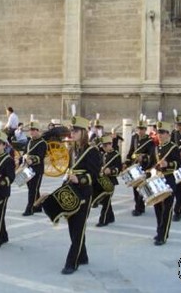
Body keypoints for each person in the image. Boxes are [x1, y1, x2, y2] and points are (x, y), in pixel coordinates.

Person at [59, 115, 101, 274]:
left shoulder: (92, 151)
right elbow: (69, 171)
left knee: (78, 227)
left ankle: (72, 262)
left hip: (84, 193)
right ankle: (82, 256)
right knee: (72, 226)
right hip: (71, 191)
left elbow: (94, 175)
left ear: (83, 132)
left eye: (75, 130)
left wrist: (80, 179)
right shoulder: (72, 149)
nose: (73, 133)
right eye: (72, 130)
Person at [152, 121, 179, 245]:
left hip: (168, 180)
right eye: (159, 133)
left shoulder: (173, 148)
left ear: (168, 134)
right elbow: (152, 164)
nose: (160, 135)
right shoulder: (157, 148)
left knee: (167, 209)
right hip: (157, 181)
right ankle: (160, 231)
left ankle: (163, 235)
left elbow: (178, 164)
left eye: (163, 133)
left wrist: (168, 164)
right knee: (157, 207)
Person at [124, 117, 155, 216]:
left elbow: (152, 155)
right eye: (138, 128)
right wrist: (127, 162)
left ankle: (139, 208)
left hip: (144, 166)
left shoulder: (149, 141)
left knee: (141, 187)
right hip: (134, 165)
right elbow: (131, 150)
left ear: (145, 130)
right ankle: (139, 205)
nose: (140, 131)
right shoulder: (135, 138)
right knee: (135, 186)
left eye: (142, 129)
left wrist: (144, 157)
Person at [95, 135, 122, 227]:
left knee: (106, 200)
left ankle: (104, 220)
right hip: (102, 180)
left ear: (110, 144)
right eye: (103, 146)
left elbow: (119, 168)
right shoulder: (103, 154)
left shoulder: (116, 155)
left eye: (106, 145)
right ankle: (111, 217)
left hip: (111, 180)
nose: (104, 148)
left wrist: (111, 170)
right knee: (104, 200)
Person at [22, 120, 47, 216]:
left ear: (38, 131)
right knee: (32, 189)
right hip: (27, 169)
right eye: (30, 130)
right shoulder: (29, 142)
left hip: (37, 169)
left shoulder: (42, 143)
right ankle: (38, 206)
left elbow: (41, 156)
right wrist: (22, 159)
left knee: (33, 189)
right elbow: (24, 153)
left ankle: (30, 208)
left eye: (33, 130)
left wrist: (32, 160)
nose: (31, 132)